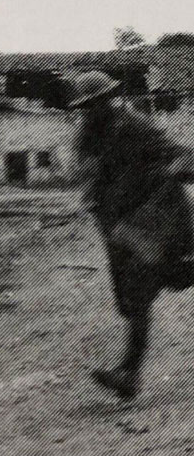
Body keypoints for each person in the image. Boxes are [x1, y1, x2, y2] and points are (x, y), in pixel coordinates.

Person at [70, 70, 194, 400]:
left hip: (156, 224)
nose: (92, 110)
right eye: (87, 105)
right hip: (121, 230)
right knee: (132, 299)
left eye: (97, 102)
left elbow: (179, 154)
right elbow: (86, 180)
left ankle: (130, 374)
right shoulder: (86, 137)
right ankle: (129, 374)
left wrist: (176, 168)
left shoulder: (135, 126)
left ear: (109, 99)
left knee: (140, 295)